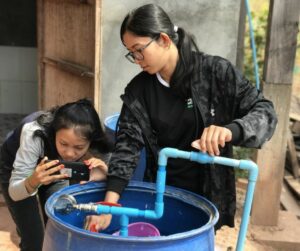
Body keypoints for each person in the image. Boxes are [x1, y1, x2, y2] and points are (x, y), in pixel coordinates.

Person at [83, 4, 277, 232]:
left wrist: (230, 130)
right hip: (163, 194)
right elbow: (127, 147)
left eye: (139, 50)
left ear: (164, 40)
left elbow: (265, 112)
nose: (136, 59)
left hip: (209, 194)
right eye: (131, 53)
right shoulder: (139, 92)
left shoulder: (215, 73)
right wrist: (110, 203)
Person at [0, 98, 112, 251]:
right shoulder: (34, 134)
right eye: (63, 144)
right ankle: (25, 231)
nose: (70, 154)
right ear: (54, 133)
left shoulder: (99, 144)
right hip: (16, 169)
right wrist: (32, 181)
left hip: (56, 169)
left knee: (59, 228)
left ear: (90, 142)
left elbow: (114, 180)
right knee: (34, 241)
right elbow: (15, 192)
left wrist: (104, 173)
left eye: (79, 147)